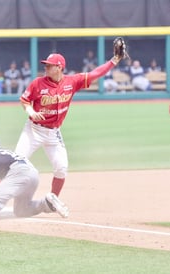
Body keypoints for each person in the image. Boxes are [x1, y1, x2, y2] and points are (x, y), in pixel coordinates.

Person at [14, 38, 125, 197]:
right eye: (45, 64)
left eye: (49, 65)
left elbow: (96, 73)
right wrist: (31, 112)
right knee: (15, 163)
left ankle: (53, 199)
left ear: (59, 67)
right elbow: (24, 100)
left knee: (61, 168)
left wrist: (114, 60)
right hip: (33, 130)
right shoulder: (38, 83)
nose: (45, 67)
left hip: (53, 133)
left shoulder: (72, 82)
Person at [0, 130, 69, 222]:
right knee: (21, 210)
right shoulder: (5, 151)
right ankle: (47, 203)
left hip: (19, 172)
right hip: (33, 173)